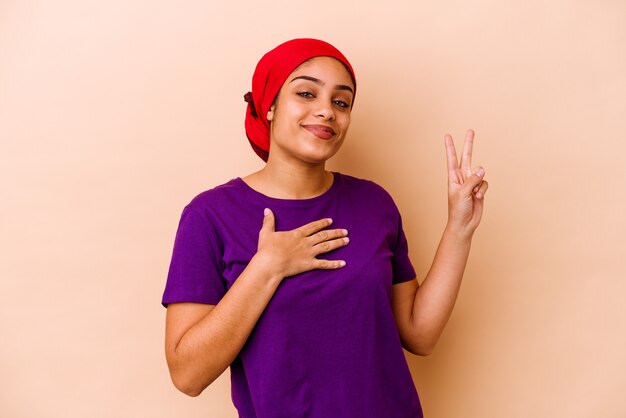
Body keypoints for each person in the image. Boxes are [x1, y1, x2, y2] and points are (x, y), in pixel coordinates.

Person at [162, 38, 488, 418]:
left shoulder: (374, 203)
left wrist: (459, 229)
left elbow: (419, 334)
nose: (326, 112)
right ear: (269, 107)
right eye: (306, 93)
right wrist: (267, 267)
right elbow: (187, 375)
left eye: (340, 102)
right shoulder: (210, 215)